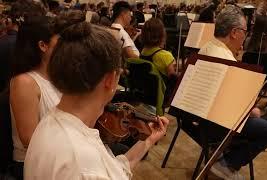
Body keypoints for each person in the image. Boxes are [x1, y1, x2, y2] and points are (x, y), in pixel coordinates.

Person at [24, 21, 169, 180]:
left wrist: (148, 140)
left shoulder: (50, 120)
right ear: (110, 79)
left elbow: (115, 170)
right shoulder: (85, 166)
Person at [198, 5, 267, 179]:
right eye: (245, 30)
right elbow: (234, 105)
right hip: (217, 124)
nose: (246, 35)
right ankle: (227, 165)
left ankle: (221, 153)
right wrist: (251, 110)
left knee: (262, 118)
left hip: (199, 119)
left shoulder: (206, 47)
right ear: (234, 32)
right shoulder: (227, 59)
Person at [9, 10, 85, 180]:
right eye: (60, 41)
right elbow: (30, 139)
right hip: (34, 163)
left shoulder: (56, 75)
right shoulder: (25, 82)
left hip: (57, 156)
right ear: (43, 45)